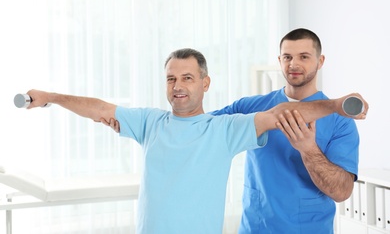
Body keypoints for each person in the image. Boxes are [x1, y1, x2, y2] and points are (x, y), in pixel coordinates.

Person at [26, 48, 368, 234]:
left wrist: (338, 105)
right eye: (171, 78)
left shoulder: (224, 129)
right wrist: (51, 97)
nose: (178, 85)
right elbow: (99, 108)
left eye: (187, 77)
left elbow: (281, 113)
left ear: (205, 84)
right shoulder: (149, 122)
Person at [211, 28, 364, 233]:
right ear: (279, 60)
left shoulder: (340, 121)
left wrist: (308, 149)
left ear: (320, 61)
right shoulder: (251, 107)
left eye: (304, 57)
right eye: (287, 57)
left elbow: (342, 191)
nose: (294, 64)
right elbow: (204, 128)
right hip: (255, 227)